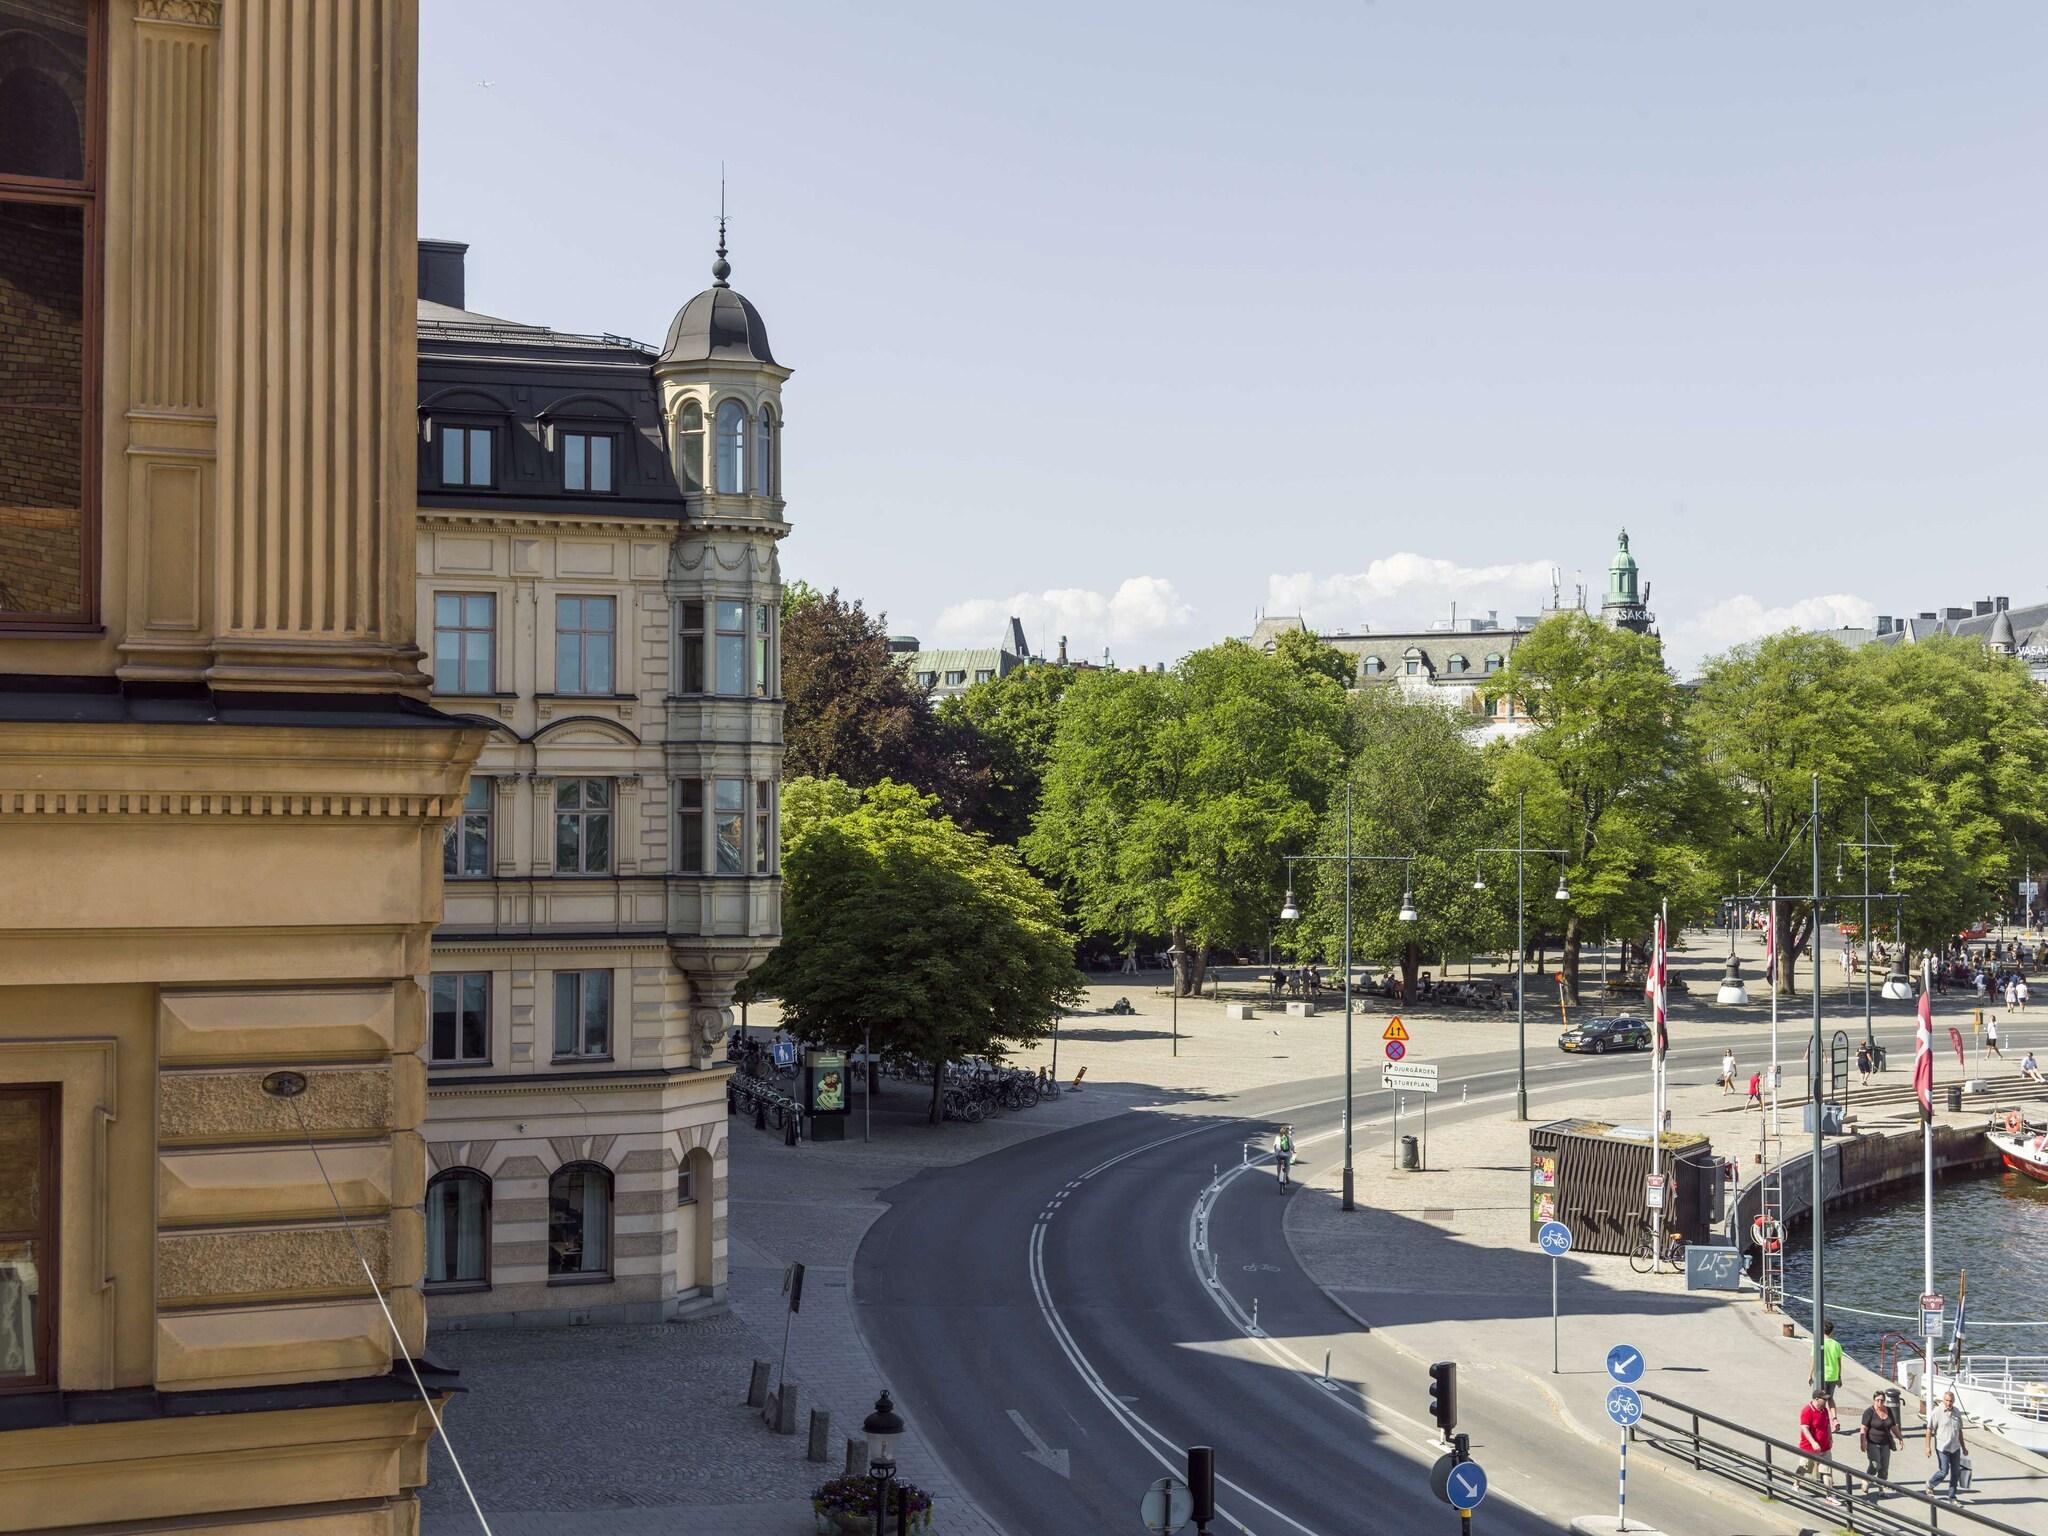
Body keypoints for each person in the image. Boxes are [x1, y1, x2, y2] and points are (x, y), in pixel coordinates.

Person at [1927, 1389, 1968, 1501]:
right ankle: (1930, 1484)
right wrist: (1928, 1447)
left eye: (1951, 1401)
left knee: (1955, 1472)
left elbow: (1959, 1430)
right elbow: (1929, 1429)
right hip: (1942, 1447)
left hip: (1955, 1447)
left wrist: (1963, 1447)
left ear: (1953, 1401)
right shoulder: (1937, 1412)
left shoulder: (1957, 1412)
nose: (1949, 1403)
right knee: (1944, 1471)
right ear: (1943, 1400)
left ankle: (1952, 1496)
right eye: (1947, 1400)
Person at [1798, 1388, 1838, 1500]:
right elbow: (1804, 1428)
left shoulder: (1824, 1410)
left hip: (1825, 1447)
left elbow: (1827, 1425)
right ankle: (1796, 1484)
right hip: (1809, 1448)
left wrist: (1830, 1437)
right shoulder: (1807, 1410)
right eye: (1823, 1399)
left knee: (1827, 1471)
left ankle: (1829, 1495)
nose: (1825, 1401)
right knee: (1805, 1468)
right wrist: (1813, 1442)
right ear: (1816, 1399)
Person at [1809, 1319, 1845, 1429]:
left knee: (1820, 1399)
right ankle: (1835, 1419)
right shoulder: (1837, 1345)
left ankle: (1822, 1422)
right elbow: (1839, 1363)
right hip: (1833, 1376)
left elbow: (1814, 1361)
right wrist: (1839, 1377)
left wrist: (1810, 1375)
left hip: (1822, 1376)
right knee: (1830, 1398)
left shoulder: (1818, 1344)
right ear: (1831, 1332)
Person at [1860, 1389, 1901, 1482]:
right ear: (1874, 1400)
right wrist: (1863, 1442)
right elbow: (1863, 1429)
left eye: (1882, 1400)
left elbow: (1893, 1426)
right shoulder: (1869, 1412)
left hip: (1885, 1444)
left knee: (1884, 1468)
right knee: (1875, 1465)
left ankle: (1881, 1488)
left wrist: (1900, 1438)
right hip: (1873, 1443)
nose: (1880, 1402)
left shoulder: (1888, 1411)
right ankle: (1866, 1479)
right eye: (1877, 1400)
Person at [1274, 1124, 1295, 1190]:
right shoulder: (1289, 1138)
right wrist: (1293, 1151)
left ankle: (1278, 1175)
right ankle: (1287, 1176)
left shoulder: (1277, 1137)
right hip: (1287, 1155)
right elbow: (1292, 1147)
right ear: (1286, 1132)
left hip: (1279, 1155)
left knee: (1279, 1164)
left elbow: (1274, 1146)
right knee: (1288, 1166)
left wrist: (1276, 1152)